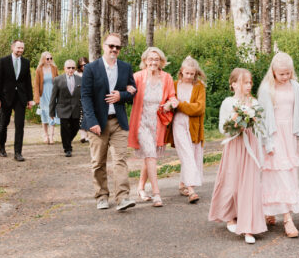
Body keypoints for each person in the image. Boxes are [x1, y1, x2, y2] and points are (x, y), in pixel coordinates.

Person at [208, 68, 267, 245]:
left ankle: (248, 226)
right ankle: (229, 216)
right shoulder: (228, 102)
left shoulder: (254, 103)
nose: (248, 86)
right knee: (232, 184)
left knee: (249, 185)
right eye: (244, 82)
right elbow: (221, 128)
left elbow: (259, 127)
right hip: (234, 146)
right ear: (233, 84)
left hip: (250, 146)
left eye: (250, 82)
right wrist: (235, 125)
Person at [81, 33, 137, 211]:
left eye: (117, 47)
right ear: (104, 46)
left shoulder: (126, 68)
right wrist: (92, 122)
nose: (114, 49)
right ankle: (101, 196)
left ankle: (123, 198)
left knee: (120, 159)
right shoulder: (91, 68)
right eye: (111, 46)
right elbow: (85, 97)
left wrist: (122, 95)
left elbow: (132, 93)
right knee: (98, 162)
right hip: (97, 123)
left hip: (118, 122)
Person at [256, 52, 299, 238]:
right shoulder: (266, 89)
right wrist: (266, 142)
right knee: (276, 174)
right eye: (281, 74)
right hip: (273, 134)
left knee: (288, 173)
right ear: (273, 72)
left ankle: (272, 210)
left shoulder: (296, 87)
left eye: (288, 73)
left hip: (289, 135)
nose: (285, 77)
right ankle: (286, 217)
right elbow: (261, 119)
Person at [128, 47, 177, 207]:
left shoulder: (167, 77)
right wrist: (127, 90)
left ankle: (141, 188)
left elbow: (171, 96)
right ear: (145, 61)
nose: (153, 62)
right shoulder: (137, 77)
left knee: (150, 156)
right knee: (150, 154)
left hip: (157, 121)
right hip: (141, 120)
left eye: (156, 59)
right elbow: (126, 91)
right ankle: (156, 193)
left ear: (161, 61)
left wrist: (172, 103)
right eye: (150, 59)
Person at [168, 56, 207, 204]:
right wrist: (172, 104)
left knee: (193, 154)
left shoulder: (199, 87)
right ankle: (191, 190)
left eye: (192, 74)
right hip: (178, 124)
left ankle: (183, 184)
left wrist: (180, 105)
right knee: (187, 154)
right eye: (187, 73)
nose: (190, 76)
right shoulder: (174, 85)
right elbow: (170, 103)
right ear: (181, 72)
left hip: (194, 126)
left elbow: (199, 108)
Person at [0, 40, 36, 161]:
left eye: (22, 48)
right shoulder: (3, 61)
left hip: (20, 98)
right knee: (3, 124)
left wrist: (30, 99)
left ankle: (18, 152)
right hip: (6, 98)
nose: (20, 50)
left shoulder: (26, 62)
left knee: (19, 125)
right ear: (13, 47)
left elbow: (28, 82)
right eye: (18, 48)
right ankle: (1, 146)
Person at [49, 59, 83, 157]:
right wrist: (51, 112)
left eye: (73, 68)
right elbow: (53, 97)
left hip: (76, 108)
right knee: (64, 129)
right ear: (64, 68)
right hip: (63, 108)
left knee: (76, 127)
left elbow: (83, 95)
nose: (71, 70)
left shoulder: (80, 79)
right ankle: (67, 148)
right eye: (68, 68)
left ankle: (67, 141)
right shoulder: (58, 80)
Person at [34, 52, 60, 145]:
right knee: (44, 115)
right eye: (47, 59)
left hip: (52, 94)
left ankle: (52, 136)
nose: (49, 60)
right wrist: (36, 98)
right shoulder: (39, 69)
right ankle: (46, 135)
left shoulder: (54, 68)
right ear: (43, 59)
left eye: (51, 58)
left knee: (52, 114)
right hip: (43, 95)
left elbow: (58, 82)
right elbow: (36, 85)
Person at [77, 57, 90, 144]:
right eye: (81, 65)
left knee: (88, 115)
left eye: (85, 65)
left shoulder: (90, 72)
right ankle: (83, 135)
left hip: (88, 97)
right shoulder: (76, 74)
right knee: (80, 116)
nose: (83, 67)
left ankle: (88, 135)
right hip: (79, 97)